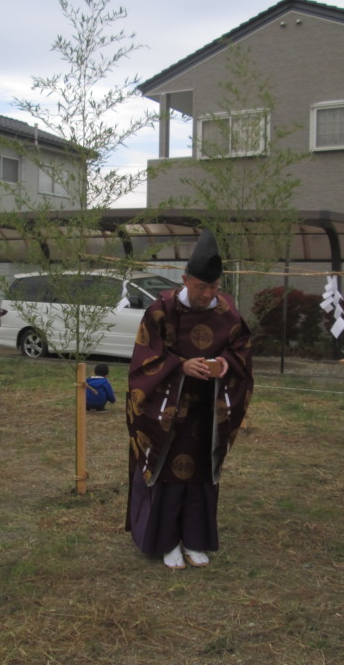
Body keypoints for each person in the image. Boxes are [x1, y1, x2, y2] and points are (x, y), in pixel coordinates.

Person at [125, 228, 253, 569]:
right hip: (168, 408)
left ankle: (195, 540)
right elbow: (144, 360)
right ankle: (166, 542)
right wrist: (181, 365)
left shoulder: (227, 312)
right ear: (184, 280)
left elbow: (240, 349)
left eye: (214, 287)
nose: (208, 294)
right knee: (167, 472)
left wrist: (225, 362)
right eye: (201, 287)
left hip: (209, 409)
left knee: (201, 473)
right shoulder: (161, 310)